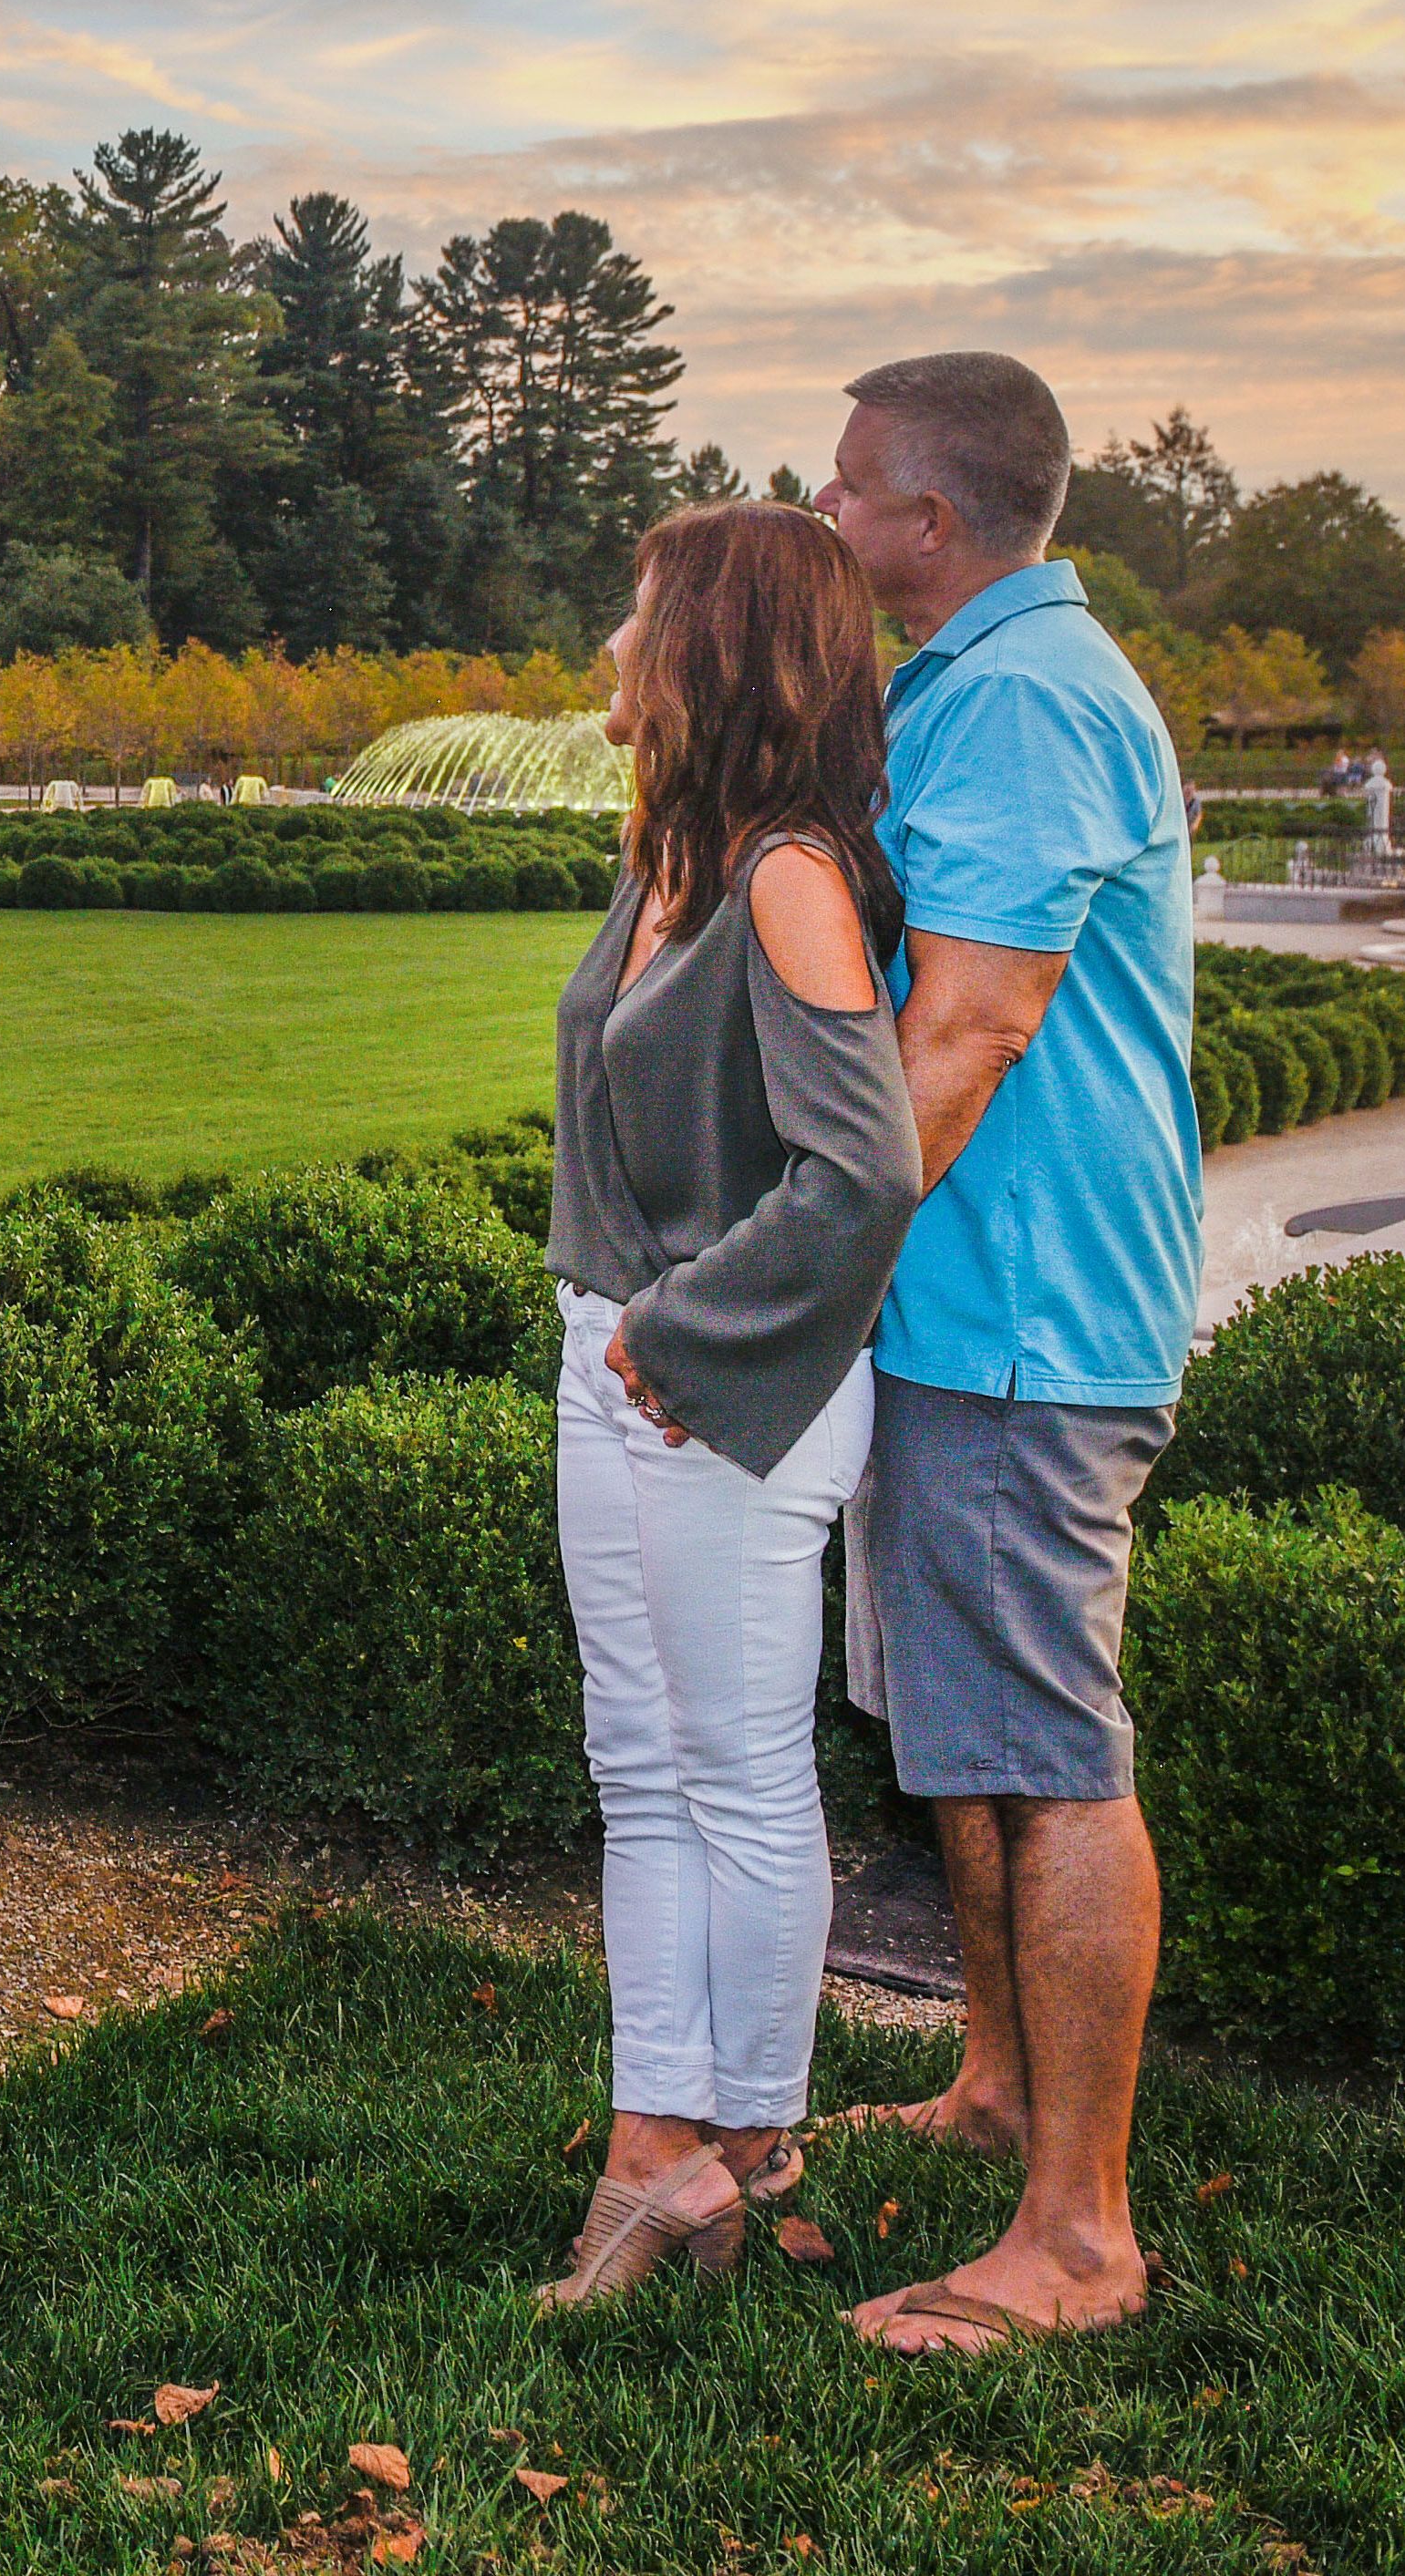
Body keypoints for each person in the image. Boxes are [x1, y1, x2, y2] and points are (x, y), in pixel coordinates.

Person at [817, 352, 1199, 2358]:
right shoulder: (977, 683)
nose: (822, 512)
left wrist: (791, 1270)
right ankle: (989, 2087)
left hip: (1026, 1315)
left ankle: (1075, 2234)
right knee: (964, 1734)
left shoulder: (1029, 703)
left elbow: (961, 1031)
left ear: (929, 520)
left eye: (842, 486)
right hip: (967, 1309)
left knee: (1044, 1760)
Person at [537, 501, 925, 2303]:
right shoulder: (667, 852)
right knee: (646, 1769)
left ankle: (729, 2142)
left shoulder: (782, 870)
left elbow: (859, 1171)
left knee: (732, 1773)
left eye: (637, 614)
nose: (611, 644)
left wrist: (676, 1338)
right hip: (624, 1365)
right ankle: (659, 2142)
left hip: (710, 1394)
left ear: (709, 647)